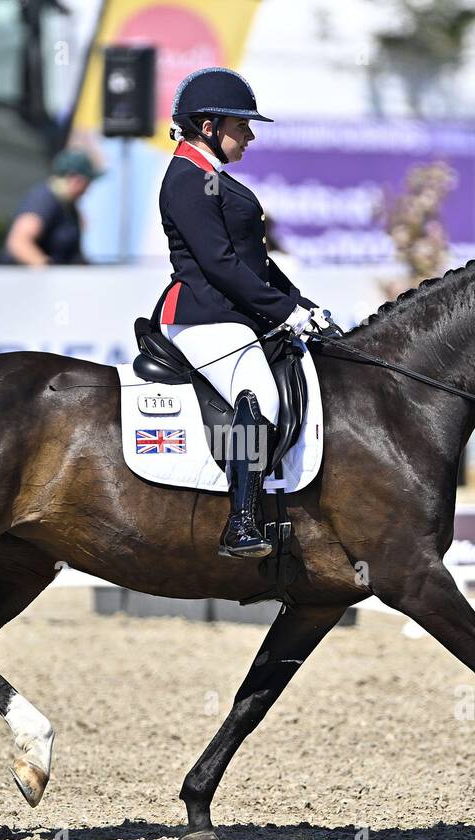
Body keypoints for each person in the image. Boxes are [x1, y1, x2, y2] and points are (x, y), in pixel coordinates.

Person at [149, 66, 332, 559]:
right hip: (203, 316)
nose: (249, 135)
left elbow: (257, 262)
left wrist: (302, 306)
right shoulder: (187, 179)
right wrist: (284, 313)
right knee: (259, 396)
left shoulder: (211, 177)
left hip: (232, 313)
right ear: (208, 127)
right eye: (241, 125)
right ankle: (242, 521)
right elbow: (220, 264)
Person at [0, 148, 103, 265]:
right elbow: (19, 243)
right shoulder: (44, 200)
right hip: (28, 281)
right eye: (88, 183)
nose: (88, 189)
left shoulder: (68, 207)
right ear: (76, 179)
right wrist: (49, 272)